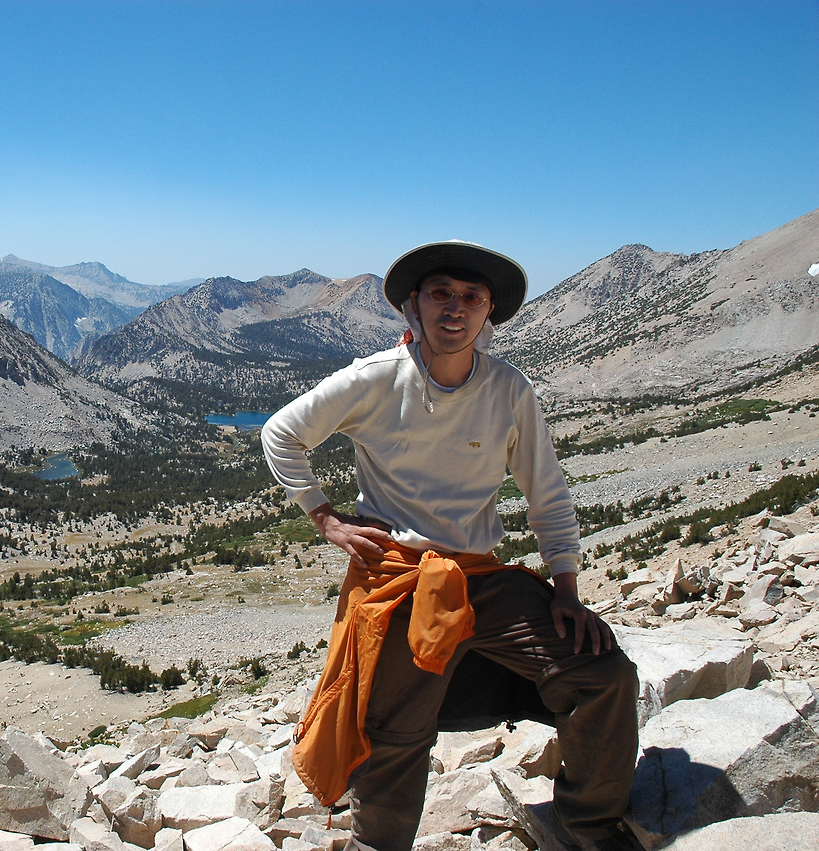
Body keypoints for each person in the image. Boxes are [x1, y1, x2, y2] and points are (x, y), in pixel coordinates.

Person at [261, 241, 642, 851]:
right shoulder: (375, 378)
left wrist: (566, 589)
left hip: (476, 575)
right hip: (398, 577)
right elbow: (282, 433)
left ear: (489, 312)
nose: (455, 308)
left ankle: (590, 825)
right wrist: (326, 518)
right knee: (394, 731)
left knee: (602, 674)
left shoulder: (508, 389)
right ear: (414, 305)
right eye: (441, 293)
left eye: (471, 297)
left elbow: (546, 491)